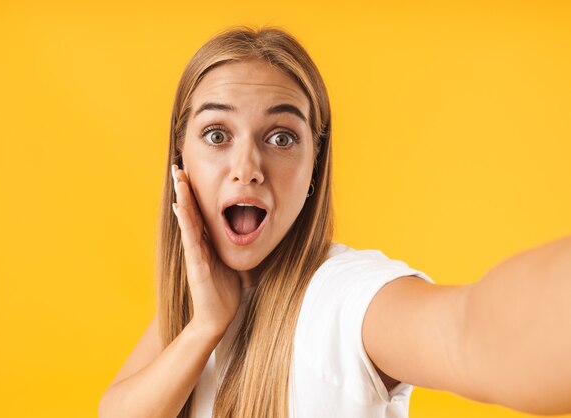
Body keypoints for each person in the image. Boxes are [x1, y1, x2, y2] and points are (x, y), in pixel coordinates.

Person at [98, 26, 571, 418]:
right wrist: (204, 326)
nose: (247, 166)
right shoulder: (202, 296)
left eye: (281, 137)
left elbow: (467, 332)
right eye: (217, 134)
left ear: (313, 169)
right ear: (179, 161)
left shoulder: (344, 298)